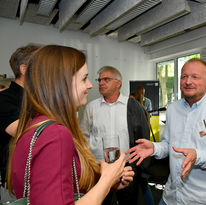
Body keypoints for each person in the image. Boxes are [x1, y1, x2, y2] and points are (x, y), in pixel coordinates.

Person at [7, 45, 134, 205]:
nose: (90, 85)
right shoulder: (55, 134)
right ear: (61, 83)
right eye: (84, 78)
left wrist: (110, 180)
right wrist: (107, 180)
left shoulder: (36, 125)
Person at [126, 58, 206, 205]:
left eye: (195, 77)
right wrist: (154, 147)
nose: (188, 81)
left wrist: (198, 156)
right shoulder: (173, 109)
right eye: (184, 76)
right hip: (171, 196)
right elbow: (169, 145)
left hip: (202, 200)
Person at [79, 66, 152, 205]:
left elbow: (143, 138)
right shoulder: (91, 107)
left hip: (126, 169)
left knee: (128, 202)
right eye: (99, 80)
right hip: (98, 169)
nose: (101, 83)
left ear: (118, 83)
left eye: (106, 79)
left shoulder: (132, 106)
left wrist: (141, 170)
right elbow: (83, 137)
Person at [0, 45, 39, 202]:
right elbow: (27, 132)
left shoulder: (36, 99)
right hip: (13, 180)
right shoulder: (5, 99)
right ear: (24, 69)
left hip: (37, 176)